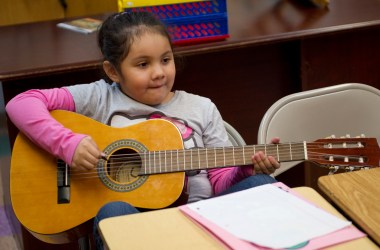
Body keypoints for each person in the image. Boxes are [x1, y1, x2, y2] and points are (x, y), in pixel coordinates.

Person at [6, 11, 280, 249]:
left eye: (165, 59)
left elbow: (220, 180)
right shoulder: (100, 97)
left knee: (264, 186)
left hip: (202, 221)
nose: (159, 72)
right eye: (142, 64)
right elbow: (21, 103)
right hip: (139, 231)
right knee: (115, 210)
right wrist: (68, 145)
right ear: (113, 71)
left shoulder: (201, 108)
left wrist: (246, 169)